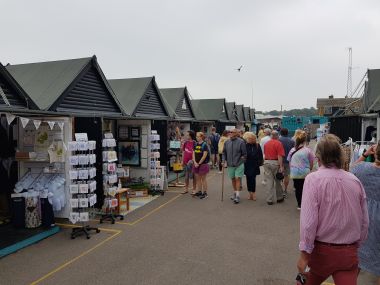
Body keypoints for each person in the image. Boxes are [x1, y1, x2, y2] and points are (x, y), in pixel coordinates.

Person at [297, 134, 369, 285]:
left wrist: (304, 254)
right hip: (348, 252)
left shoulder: (313, 179)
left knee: (305, 281)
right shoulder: (354, 180)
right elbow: (364, 221)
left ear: (319, 157)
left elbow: (309, 222)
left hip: (322, 251)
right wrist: (356, 244)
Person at [351, 142, 380, 285]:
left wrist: (364, 154)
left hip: (365, 216)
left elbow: (351, 170)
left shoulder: (363, 169)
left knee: (359, 253)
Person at [288, 130, 314, 210]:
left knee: (297, 188)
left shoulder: (292, 150)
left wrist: (292, 169)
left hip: (295, 172)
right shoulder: (308, 150)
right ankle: (306, 203)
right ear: (305, 141)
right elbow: (311, 162)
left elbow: (289, 161)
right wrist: (310, 169)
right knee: (305, 188)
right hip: (305, 172)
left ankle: (299, 204)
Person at [223, 129, 247, 204]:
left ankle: (237, 196)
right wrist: (224, 161)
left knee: (237, 178)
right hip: (230, 165)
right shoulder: (227, 142)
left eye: (232, 132)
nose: (230, 133)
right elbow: (224, 153)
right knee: (233, 179)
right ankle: (235, 192)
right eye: (230, 132)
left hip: (239, 164)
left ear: (236, 134)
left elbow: (244, 154)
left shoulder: (241, 142)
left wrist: (240, 162)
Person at [263, 130, 285, 205]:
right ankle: (279, 198)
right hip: (275, 163)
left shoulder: (266, 143)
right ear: (277, 136)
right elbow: (280, 155)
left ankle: (269, 199)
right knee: (278, 181)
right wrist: (281, 166)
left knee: (269, 181)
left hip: (266, 162)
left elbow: (265, 153)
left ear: (271, 136)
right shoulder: (278, 143)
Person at [243, 132, 263, 201]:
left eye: (251, 139)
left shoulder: (257, 145)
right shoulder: (245, 145)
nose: (249, 140)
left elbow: (260, 155)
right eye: (249, 139)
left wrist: (259, 163)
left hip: (254, 165)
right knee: (248, 179)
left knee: (253, 179)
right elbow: (243, 154)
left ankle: (253, 193)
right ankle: (250, 193)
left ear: (254, 139)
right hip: (247, 165)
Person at [192, 132, 210, 199]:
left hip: (203, 164)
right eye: (196, 136)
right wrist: (194, 162)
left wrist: (199, 163)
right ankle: (199, 191)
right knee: (198, 179)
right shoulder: (195, 144)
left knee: (203, 179)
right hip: (196, 163)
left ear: (201, 137)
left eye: (198, 136)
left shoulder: (204, 145)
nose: (197, 137)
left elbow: (204, 155)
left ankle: (205, 193)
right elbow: (193, 153)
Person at [279, 128, 295, 198]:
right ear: (287, 132)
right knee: (286, 175)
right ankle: (285, 189)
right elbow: (293, 151)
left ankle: (280, 189)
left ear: (280, 132)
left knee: (279, 175)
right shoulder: (291, 141)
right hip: (288, 161)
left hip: (279, 160)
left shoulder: (278, 140)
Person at [181, 130, 196, 195]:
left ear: (190, 135)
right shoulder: (185, 143)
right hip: (185, 162)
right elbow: (183, 152)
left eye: (187, 135)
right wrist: (182, 161)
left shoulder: (194, 143)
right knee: (186, 176)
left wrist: (194, 161)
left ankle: (194, 189)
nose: (186, 136)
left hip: (192, 162)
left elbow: (195, 153)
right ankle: (186, 189)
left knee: (193, 176)